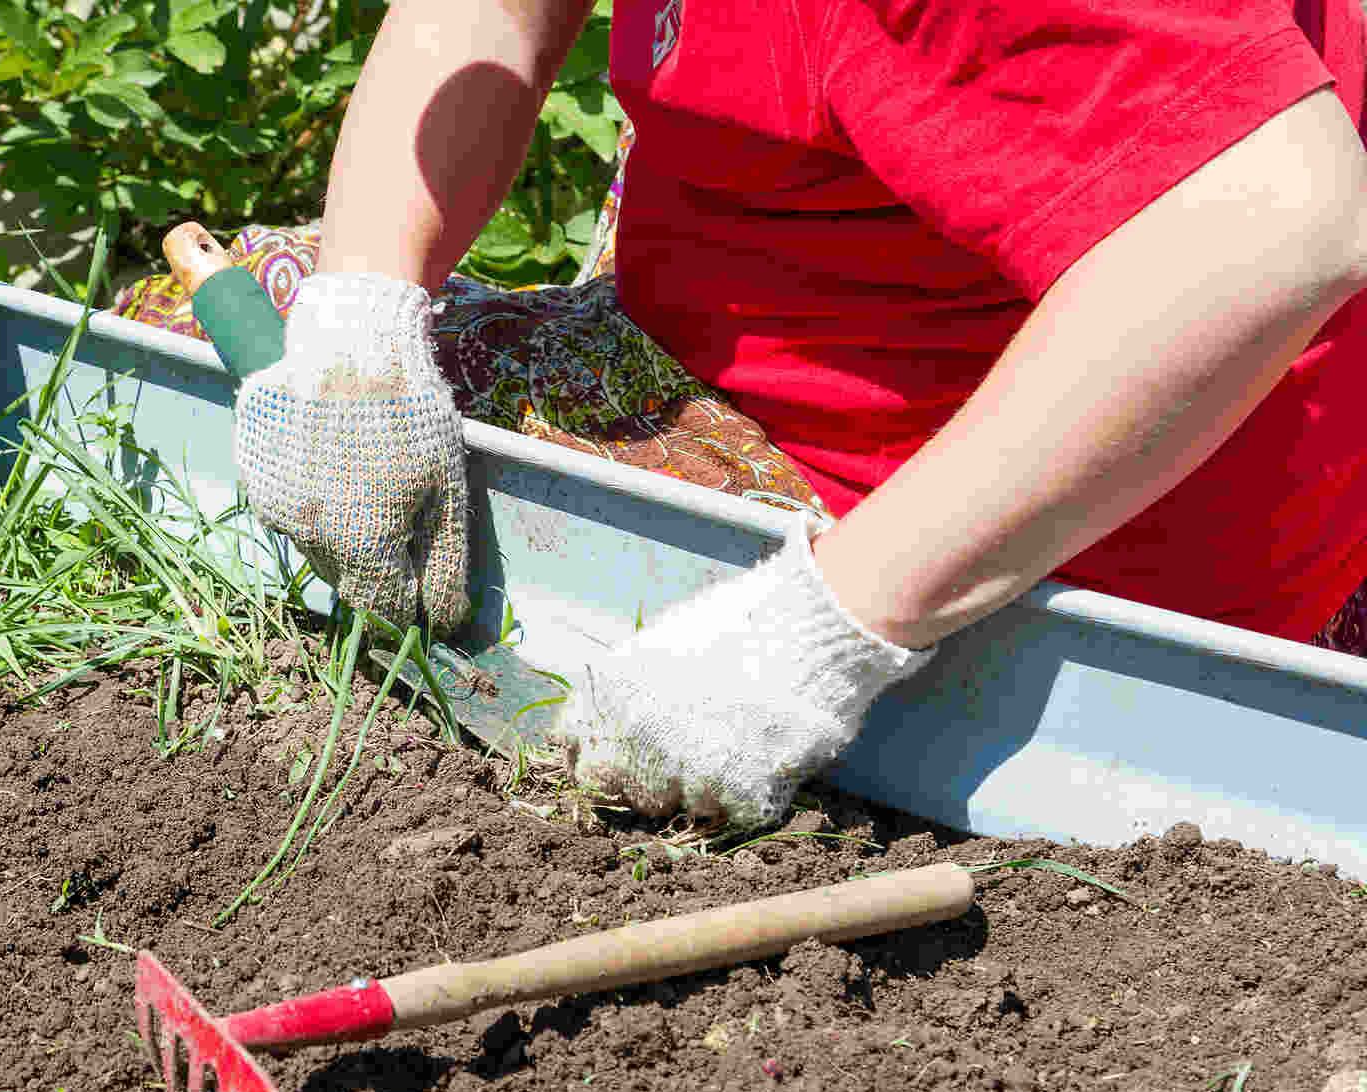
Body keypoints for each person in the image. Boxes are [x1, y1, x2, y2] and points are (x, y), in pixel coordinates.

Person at [227, 0, 1367, 829]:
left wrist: (814, 634)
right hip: (845, 297)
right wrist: (359, 317)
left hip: (1080, 519)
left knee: (200, 323)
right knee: (293, 293)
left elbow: (1276, 227)